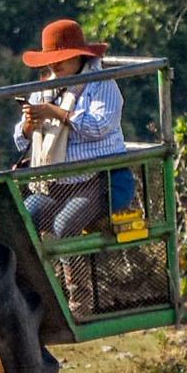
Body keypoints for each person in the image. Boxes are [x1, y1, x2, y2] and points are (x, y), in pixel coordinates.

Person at [15, 18, 127, 237]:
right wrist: (29, 125)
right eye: (51, 59)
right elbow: (20, 139)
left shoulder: (101, 83)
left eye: (61, 58)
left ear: (78, 55)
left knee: (64, 226)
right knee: (25, 219)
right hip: (52, 181)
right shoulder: (44, 88)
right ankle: (42, 271)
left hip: (94, 178)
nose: (55, 64)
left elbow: (98, 127)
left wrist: (55, 112)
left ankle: (73, 272)